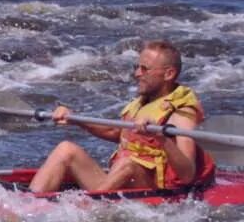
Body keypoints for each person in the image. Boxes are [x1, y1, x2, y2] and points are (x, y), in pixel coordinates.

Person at [28, 39, 212, 193]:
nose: (136, 73)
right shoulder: (144, 101)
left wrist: (161, 137)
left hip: (153, 189)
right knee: (66, 149)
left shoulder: (182, 114)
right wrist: (75, 119)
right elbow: (116, 132)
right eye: (137, 67)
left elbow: (188, 174)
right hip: (119, 179)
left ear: (168, 74)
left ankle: (87, 208)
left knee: (128, 164)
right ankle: (29, 202)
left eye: (144, 69)